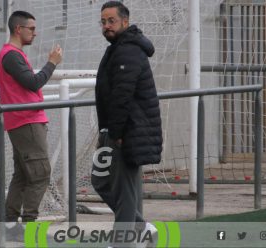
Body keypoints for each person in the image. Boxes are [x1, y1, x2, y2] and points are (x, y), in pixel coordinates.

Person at [92, 1, 162, 246]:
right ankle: (143, 228)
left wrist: (117, 134)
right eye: (103, 21)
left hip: (126, 133)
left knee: (125, 191)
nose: (106, 26)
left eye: (111, 21)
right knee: (99, 180)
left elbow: (122, 96)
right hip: (113, 130)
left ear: (125, 21)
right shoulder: (118, 47)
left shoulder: (128, 50)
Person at [0, 10, 62, 240]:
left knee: (23, 175)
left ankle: (9, 228)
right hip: (26, 122)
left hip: (21, 122)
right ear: (18, 29)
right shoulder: (11, 55)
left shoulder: (12, 54)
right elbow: (34, 82)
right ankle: (29, 229)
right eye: (31, 29)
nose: (35, 33)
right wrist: (51, 63)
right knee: (40, 173)